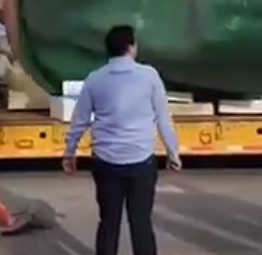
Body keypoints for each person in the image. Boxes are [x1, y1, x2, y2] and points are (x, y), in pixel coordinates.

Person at [63, 24, 181, 255]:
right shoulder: (149, 76)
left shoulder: (95, 79)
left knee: (108, 223)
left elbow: (79, 121)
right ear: (130, 47)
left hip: (106, 163)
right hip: (141, 162)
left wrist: (70, 153)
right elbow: (163, 118)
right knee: (141, 224)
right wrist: (173, 152)